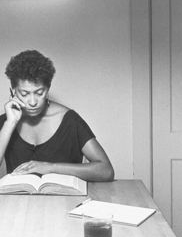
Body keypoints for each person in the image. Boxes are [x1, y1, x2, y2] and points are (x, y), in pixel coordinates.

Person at [0, 50, 114, 181]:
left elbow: (106, 171)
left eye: (39, 92)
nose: (32, 102)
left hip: (67, 200)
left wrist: (49, 167)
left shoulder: (70, 120)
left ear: (48, 89)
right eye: (24, 94)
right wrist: (10, 124)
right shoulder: (6, 121)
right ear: (13, 91)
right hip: (20, 200)